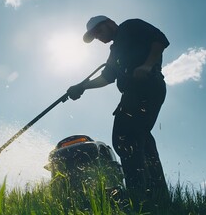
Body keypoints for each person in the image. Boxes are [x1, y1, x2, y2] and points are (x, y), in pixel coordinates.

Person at [67, 15, 169, 201]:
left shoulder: (130, 26)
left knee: (124, 138)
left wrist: (147, 66)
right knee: (142, 140)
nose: (98, 37)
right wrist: (82, 86)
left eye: (98, 31)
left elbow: (159, 39)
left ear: (109, 23)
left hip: (147, 85)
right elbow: (107, 77)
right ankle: (158, 196)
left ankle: (138, 195)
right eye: (94, 35)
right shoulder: (115, 51)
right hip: (132, 94)